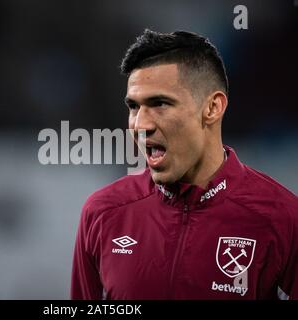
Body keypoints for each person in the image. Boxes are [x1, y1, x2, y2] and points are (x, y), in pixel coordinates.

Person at [70, 29, 298, 300]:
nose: (141, 124)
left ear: (212, 108)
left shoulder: (282, 218)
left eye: (160, 104)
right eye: (134, 106)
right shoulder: (102, 213)